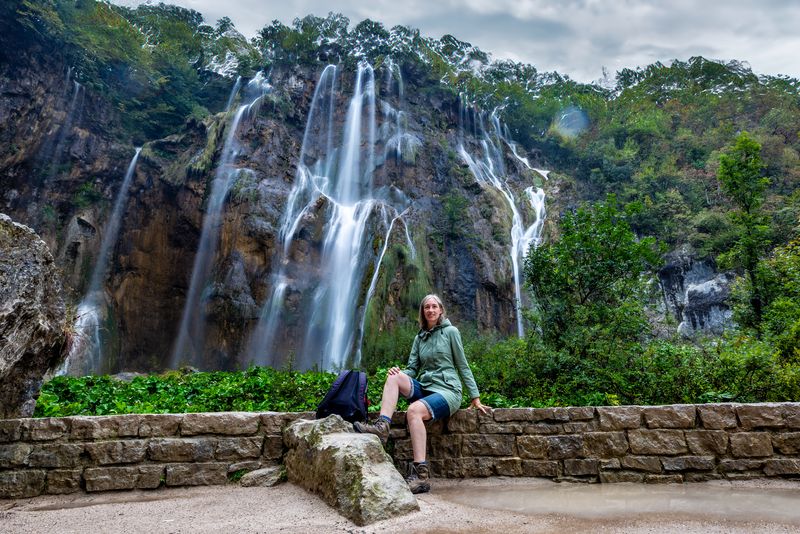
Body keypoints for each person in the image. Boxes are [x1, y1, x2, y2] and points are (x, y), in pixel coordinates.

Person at [355, 293, 489, 494]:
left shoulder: (451, 332)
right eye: (427, 307)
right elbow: (412, 368)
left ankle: (421, 475)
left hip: (447, 391)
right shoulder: (420, 337)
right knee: (393, 377)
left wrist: (475, 396)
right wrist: (399, 373)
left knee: (414, 411)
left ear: (441, 310)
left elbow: (463, 365)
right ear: (423, 312)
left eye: (434, 306)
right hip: (426, 389)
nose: (431, 310)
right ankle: (382, 427)